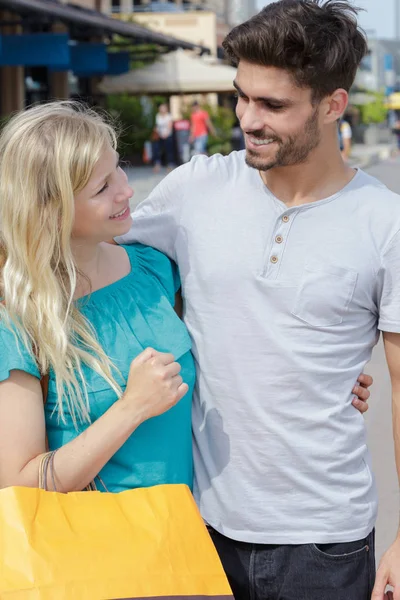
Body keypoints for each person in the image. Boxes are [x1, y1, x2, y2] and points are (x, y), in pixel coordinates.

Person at [115, 1, 400, 599]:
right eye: (241, 96)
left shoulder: (385, 223)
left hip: (325, 540)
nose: (247, 118)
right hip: (198, 521)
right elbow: (89, 259)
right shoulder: (196, 187)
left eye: (273, 105)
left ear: (332, 104)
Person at [0, 101, 195, 495]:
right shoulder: (17, 319)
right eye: (102, 187)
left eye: (118, 167)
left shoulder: (153, 267)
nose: (126, 190)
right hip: (100, 550)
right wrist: (132, 407)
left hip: (184, 539)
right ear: (52, 211)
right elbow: (19, 483)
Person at [152, 103, 175, 173]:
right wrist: (157, 132)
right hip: (159, 136)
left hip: (168, 136)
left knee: (169, 151)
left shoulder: (169, 116)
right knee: (157, 151)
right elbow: (157, 126)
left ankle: (170, 165)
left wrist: (166, 134)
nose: (162, 109)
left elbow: (170, 126)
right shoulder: (158, 116)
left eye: (163, 108)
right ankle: (157, 165)